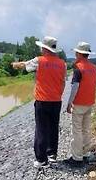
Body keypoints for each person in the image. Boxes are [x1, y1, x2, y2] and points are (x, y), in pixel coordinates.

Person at [12, 36, 67, 168]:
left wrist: (15, 64)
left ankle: (41, 160)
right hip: (56, 100)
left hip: (42, 101)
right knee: (53, 128)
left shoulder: (39, 61)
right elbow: (63, 82)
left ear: (44, 48)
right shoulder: (62, 64)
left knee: (41, 129)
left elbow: (25, 66)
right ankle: (52, 155)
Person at [64, 41, 96, 167]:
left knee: (77, 130)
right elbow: (93, 84)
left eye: (76, 52)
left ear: (79, 53)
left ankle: (77, 158)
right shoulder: (94, 68)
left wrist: (69, 103)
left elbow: (75, 87)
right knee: (86, 129)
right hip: (89, 103)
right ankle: (85, 154)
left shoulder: (78, 67)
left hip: (79, 103)